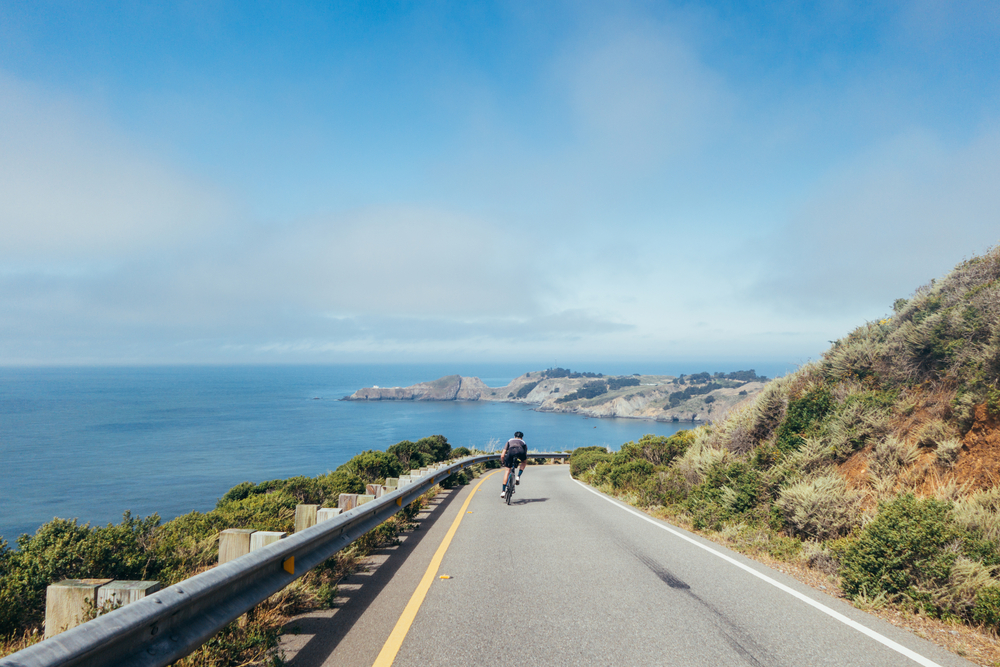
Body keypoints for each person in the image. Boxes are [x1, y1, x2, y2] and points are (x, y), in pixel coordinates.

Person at [500, 431, 528, 498]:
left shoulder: (509, 441)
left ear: (514, 437)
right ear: (522, 437)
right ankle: (518, 476)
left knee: (507, 471)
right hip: (520, 451)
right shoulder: (523, 442)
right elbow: (525, 454)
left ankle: (503, 492)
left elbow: (502, 455)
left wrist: (503, 462)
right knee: (524, 462)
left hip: (511, 452)